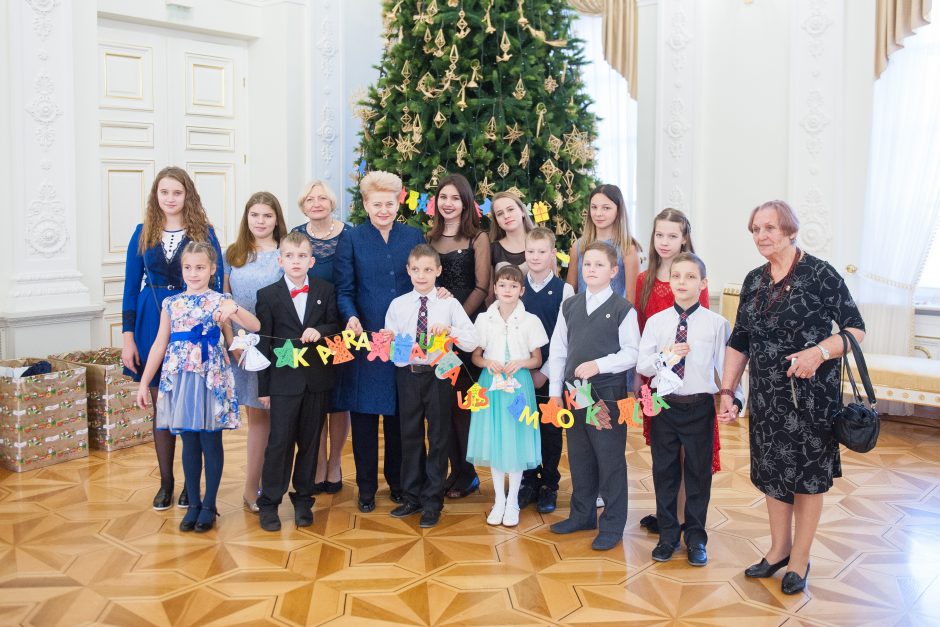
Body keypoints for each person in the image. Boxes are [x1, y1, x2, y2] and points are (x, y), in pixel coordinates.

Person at [718, 200, 865, 595]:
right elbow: (740, 339)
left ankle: (800, 558)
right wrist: (728, 390)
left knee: (807, 478)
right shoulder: (753, 280)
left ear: (789, 230)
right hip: (767, 398)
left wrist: (820, 352)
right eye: (755, 229)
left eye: (769, 228)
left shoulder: (820, 274)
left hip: (812, 399)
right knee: (773, 473)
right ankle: (778, 549)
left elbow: (855, 329)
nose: (761, 236)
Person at [134, 242, 260, 532]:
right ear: (182, 270)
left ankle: (210, 505)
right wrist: (143, 383)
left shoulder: (220, 301)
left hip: (211, 379)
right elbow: (158, 345)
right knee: (189, 441)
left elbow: (249, 328)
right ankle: (192, 504)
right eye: (188, 267)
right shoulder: (171, 303)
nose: (193, 273)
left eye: (200, 267)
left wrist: (234, 308)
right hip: (180, 379)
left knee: (210, 441)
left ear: (212, 269)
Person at [121, 166, 224, 511]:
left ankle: (191, 487)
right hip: (152, 321)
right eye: (164, 192)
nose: (170, 198)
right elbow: (129, 288)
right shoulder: (143, 232)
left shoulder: (204, 232)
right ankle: (167, 482)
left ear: (187, 195)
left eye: (176, 192)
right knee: (162, 405)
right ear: (156, 196)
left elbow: (218, 285)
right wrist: (127, 338)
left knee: (193, 405)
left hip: (192, 328)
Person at [637, 253, 743, 566]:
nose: (682, 282)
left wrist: (735, 399)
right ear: (669, 281)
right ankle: (668, 535)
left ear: (704, 283)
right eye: (677, 276)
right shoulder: (657, 323)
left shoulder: (716, 324)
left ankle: (696, 537)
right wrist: (665, 357)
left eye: (690, 277)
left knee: (698, 475)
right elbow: (643, 364)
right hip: (664, 407)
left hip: (699, 407)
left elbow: (730, 368)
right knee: (664, 472)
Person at [334, 171, 426, 513]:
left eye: (389, 203)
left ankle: (399, 483)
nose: (383, 210)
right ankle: (367, 487)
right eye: (376, 204)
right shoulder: (352, 239)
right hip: (367, 342)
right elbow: (345, 290)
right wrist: (351, 317)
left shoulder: (412, 235)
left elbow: (424, 278)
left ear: (398, 201)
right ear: (365, 204)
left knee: (401, 415)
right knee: (365, 418)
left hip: (403, 342)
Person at [547, 241, 640, 551]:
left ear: (613, 271)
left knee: (609, 459)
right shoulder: (569, 306)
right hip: (574, 393)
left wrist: (599, 364)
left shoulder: (622, 309)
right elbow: (559, 350)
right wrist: (554, 393)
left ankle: (612, 524)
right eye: (587, 264)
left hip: (607, 395)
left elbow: (631, 353)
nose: (591, 269)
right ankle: (582, 514)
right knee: (579, 455)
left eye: (599, 265)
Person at [633, 208, 716, 534]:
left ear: (684, 239)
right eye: (659, 235)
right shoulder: (644, 279)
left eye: (672, 235)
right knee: (663, 454)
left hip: (690, 380)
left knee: (688, 455)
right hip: (655, 379)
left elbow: (702, 328)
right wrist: (642, 378)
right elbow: (641, 329)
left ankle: (684, 518)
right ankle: (668, 514)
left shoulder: (693, 278)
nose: (664, 242)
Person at [384, 244, 479, 527]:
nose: (422, 275)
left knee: (439, 437)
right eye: (416, 270)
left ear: (438, 271)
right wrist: (394, 343)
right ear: (408, 271)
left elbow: (472, 340)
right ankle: (411, 496)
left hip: (439, 376)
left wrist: (451, 331)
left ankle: (432, 501)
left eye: (428, 270)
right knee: (410, 436)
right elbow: (392, 353)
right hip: (408, 375)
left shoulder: (448, 304)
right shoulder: (398, 306)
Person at [254, 231, 340, 532]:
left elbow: (335, 325)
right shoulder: (267, 295)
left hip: (316, 381)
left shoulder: (325, 290)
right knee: (278, 444)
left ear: (311, 261)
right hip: (282, 383)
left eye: (302, 256)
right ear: (280, 260)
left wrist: (321, 330)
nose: (295, 261)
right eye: (289, 256)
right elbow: (263, 344)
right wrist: (263, 388)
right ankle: (270, 503)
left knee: (310, 443)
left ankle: (304, 500)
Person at [467, 264, 548, 528]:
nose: (507, 290)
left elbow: (537, 358)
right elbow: (475, 356)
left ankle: (513, 500)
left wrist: (521, 363)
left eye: (513, 286)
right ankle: (498, 500)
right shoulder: (484, 319)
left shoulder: (530, 321)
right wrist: (487, 362)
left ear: (521, 290)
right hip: (491, 386)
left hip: (518, 385)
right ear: (495, 288)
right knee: (495, 440)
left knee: (515, 440)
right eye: (502, 285)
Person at [427, 173, 491, 499]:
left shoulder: (477, 238)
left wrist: (458, 324)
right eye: (443, 198)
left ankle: (468, 474)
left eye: (455, 198)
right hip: (439, 336)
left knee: (464, 405)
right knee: (443, 406)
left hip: (466, 330)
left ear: (466, 203)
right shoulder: (430, 239)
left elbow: (482, 286)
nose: (448, 203)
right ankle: (454, 470)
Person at [223, 192, 287, 513]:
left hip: (277, 345)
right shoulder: (233, 254)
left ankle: (274, 483)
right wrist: (232, 344)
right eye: (254, 215)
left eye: (267, 215)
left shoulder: (284, 253)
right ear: (246, 218)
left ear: (277, 219)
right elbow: (225, 301)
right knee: (258, 417)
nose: (260, 221)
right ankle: (251, 487)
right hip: (243, 347)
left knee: (281, 418)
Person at [291, 180, 352, 497]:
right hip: (305, 332)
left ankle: (335, 464)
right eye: (310, 199)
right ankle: (315, 465)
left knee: (339, 401)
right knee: (313, 400)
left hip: (339, 330)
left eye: (322, 198)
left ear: (332, 202)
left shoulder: (348, 234)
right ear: (303, 206)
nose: (316, 202)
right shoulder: (296, 235)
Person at [516, 227, 574, 514]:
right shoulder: (516, 286)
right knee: (524, 426)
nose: (536, 257)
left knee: (550, 430)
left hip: (551, 373)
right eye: (530, 251)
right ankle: (528, 481)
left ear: (553, 254)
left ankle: (550, 483)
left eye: (542, 251)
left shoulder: (565, 290)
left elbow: (564, 339)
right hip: (520, 373)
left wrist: (547, 373)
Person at [565, 184, 640, 303]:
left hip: (614, 318)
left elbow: (632, 299)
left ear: (618, 210)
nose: (598, 213)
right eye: (594, 207)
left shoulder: (627, 249)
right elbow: (569, 292)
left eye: (606, 208)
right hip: (581, 317)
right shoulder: (579, 246)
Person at [489, 190, 534, 274]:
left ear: (523, 212)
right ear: (496, 221)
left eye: (510, 209)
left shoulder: (541, 243)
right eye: (499, 214)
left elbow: (553, 283)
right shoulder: (492, 250)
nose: (506, 216)